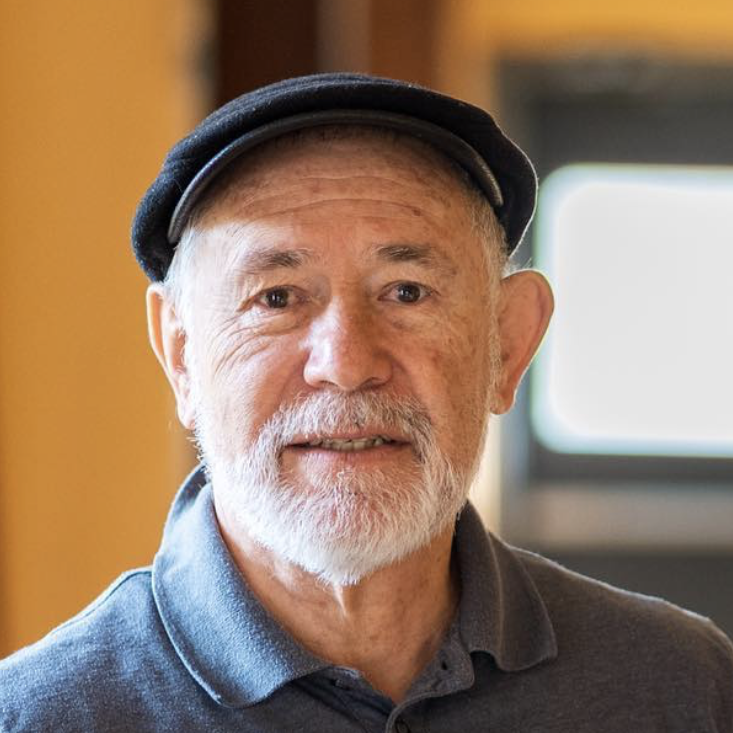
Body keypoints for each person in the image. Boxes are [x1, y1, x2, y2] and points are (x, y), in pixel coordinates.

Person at [0, 73, 731, 732]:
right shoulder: (39, 716)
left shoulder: (681, 689)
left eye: (406, 292)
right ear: (183, 355)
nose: (346, 365)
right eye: (276, 298)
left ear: (507, 346)